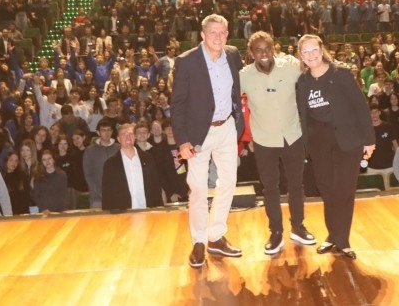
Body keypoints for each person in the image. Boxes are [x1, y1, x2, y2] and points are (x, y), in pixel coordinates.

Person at [171, 14, 245, 268]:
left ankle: (215, 236)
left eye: (222, 32)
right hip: (197, 133)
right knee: (199, 188)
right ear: (202, 35)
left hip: (226, 127)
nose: (218, 37)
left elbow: (237, 89)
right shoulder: (187, 61)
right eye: (213, 32)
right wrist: (182, 141)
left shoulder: (233, 54)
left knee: (229, 182)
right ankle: (199, 241)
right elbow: (177, 104)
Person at [296, 34, 375, 260]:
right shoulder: (303, 81)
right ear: (300, 56)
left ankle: (343, 240)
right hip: (319, 142)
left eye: (314, 50)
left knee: (344, 190)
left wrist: (369, 140)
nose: (311, 55)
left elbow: (361, 107)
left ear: (322, 50)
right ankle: (332, 236)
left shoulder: (341, 75)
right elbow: (305, 115)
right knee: (327, 190)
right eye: (305, 52)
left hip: (347, 140)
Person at [239, 31, 315, 255]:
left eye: (267, 48)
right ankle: (276, 232)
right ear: (251, 53)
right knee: (270, 188)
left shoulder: (290, 66)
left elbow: (314, 68)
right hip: (263, 141)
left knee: (296, 185)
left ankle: (298, 227)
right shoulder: (243, 76)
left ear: (274, 48)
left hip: (292, 136)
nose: (264, 53)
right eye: (258, 50)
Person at [102, 123, 162, 211]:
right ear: (118, 139)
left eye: (130, 134)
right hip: (122, 214)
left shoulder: (148, 158)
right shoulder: (110, 164)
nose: (128, 137)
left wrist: (158, 209)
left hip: (147, 211)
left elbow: (156, 187)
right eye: (123, 134)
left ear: (135, 137)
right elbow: (107, 194)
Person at [83, 118, 120, 209]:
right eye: (103, 130)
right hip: (97, 198)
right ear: (98, 132)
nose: (106, 133)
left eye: (109, 130)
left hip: (118, 196)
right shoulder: (89, 151)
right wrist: (100, 192)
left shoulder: (119, 148)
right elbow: (88, 175)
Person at [367, 103, 398, 189]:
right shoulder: (366, 129)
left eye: (376, 112)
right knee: (373, 194)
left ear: (380, 113)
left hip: (389, 167)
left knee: (390, 194)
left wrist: (397, 161)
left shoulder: (388, 126)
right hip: (372, 167)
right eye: (371, 113)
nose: (374, 115)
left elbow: (395, 145)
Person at [30, 148, 68, 213]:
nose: (47, 161)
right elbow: (36, 196)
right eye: (44, 160)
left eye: (49, 158)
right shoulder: (38, 177)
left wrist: (61, 211)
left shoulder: (62, 175)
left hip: (60, 211)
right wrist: (43, 209)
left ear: (53, 159)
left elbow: (63, 195)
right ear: (41, 162)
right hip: (44, 212)